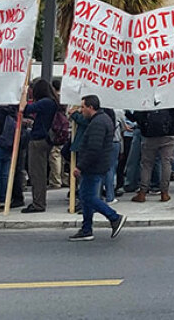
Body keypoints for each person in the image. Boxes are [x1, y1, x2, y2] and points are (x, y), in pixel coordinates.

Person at [69, 95, 125, 241]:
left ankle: (114, 217)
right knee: (85, 196)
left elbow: (94, 148)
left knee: (88, 197)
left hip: (93, 166)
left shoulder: (98, 123)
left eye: (83, 107)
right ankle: (86, 228)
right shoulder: (100, 120)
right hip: (96, 165)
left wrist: (80, 166)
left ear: (91, 107)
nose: (81, 110)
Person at [19, 79, 59, 213]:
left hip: (38, 140)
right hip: (44, 139)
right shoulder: (51, 102)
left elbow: (25, 109)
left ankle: (38, 203)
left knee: (37, 173)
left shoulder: (45, 102)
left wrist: (23, 94)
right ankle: (38, 201)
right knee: (38, 172)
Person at [132, 107, 174, 203]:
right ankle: (164, 192)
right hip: (168, 135)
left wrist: (144, 129)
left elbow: (137, 115)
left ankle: (142, 192)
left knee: (147, 164)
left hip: (149, 135)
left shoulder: (148, 95)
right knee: (166, 163)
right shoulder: (171, 96)